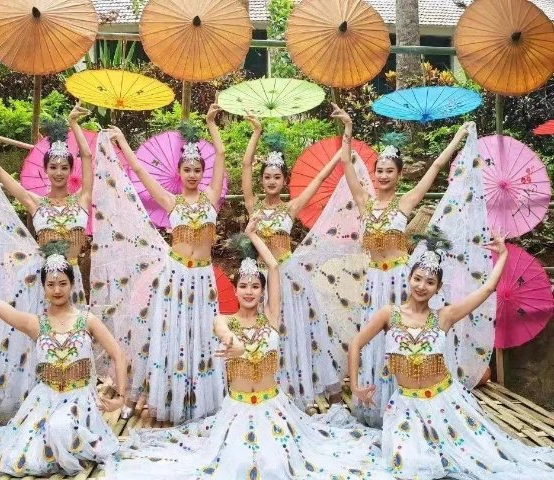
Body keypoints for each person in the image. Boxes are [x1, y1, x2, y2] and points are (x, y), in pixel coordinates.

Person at [105, 217, 394, 480]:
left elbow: (274, 267)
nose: (249, 291)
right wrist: (236, 345)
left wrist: (253, 236)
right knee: (238, 466)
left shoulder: (271, 316)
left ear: (262, 291)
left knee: (277, 465)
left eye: (255, 286)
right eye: (243, 286)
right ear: (235, 289)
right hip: (238, 412)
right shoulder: (223, 320)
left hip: (273, 409)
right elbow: (224, 335)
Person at [348, 234, 554, 479]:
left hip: (445, 403)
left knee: (483, 458)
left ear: (438, 288)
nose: (421, 286)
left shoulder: (444, 316)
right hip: (407, 406)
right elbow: (356, 344)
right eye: (417, 279)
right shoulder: (388, 314)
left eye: (430, 282)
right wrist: (355, 386)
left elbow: (487, 288)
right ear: (409, 278)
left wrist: (503, 254)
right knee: (408, 464)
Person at [0, 106, 93, 423]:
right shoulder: (34, 202)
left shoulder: (83, 199)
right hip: (39, 283)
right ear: (46, 170)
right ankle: (21, 400)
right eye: (53, 167)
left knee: (67, 340)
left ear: (71, 170)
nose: (58, 172)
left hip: (71, 281)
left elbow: (89, 157)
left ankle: (66, 402)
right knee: (27, 341)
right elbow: (0, 173)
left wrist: (73, 125)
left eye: (64, 167)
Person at [333, 104, 476, 426]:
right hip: (374, 281)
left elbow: (436, 166)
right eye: (379, 171)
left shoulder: (407, 201)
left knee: (405, 338)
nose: (383, 176)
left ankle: (409, 403)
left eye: (389, 171)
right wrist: (348, 130)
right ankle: (376, 403)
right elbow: (345, 164)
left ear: (399, 175)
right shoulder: (364, 202)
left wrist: (457, 137)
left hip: (401, 279)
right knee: (374, 339)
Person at [91, 105, 227, 424]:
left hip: (203, 279)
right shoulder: (170, 201)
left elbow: (220, 154)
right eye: (187, 169)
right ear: (179, 173)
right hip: (176, 277)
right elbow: (139, 171)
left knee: (202, 335)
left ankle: (200, 402)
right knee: (173, 336)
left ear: (202, 173)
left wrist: (211, 123)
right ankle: (168, 400)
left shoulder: (211, 198)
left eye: (197, 169)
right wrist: (124, 143)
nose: (192, 174)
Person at [0, 240, 125, 477]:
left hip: (80, 399)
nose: (57, 290)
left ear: (72, 284)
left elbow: (118, 354)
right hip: (45, 400)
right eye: (51, 284)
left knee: (61, 426)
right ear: (43, 288)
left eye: (62, 283)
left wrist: (121, 397)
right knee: (21, 459)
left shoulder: (88, 320)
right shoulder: (35, 324)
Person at [240, 112, 344, 409]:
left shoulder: (290, 208)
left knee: (297, 331)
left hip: (290, 277)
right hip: (261, 279)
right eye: (267, 177)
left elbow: (320, 178)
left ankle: (308, 391)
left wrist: (340, 153)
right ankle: (272, 387)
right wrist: (256, 132)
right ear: (262, 181)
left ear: (284, 181)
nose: (271, 181)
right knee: (268, 333)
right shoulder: (253, 207)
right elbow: (245, 165)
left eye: (277, 177)